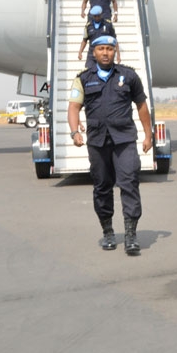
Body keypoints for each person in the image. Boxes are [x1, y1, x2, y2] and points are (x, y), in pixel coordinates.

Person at [67, 35, 152, 256]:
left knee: (129, 183)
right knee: (102, 186)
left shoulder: (129, 76)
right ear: (93, 52)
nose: (106, 53)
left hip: (124, 139)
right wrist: (75, 131)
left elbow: (142, 106)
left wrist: (148, 135)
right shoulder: (83, 79)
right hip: (97, 141)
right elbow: (74, 108)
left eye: (110, 49)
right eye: (101, 49)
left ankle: (131, 235)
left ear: (115, 52)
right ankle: (108, 232)